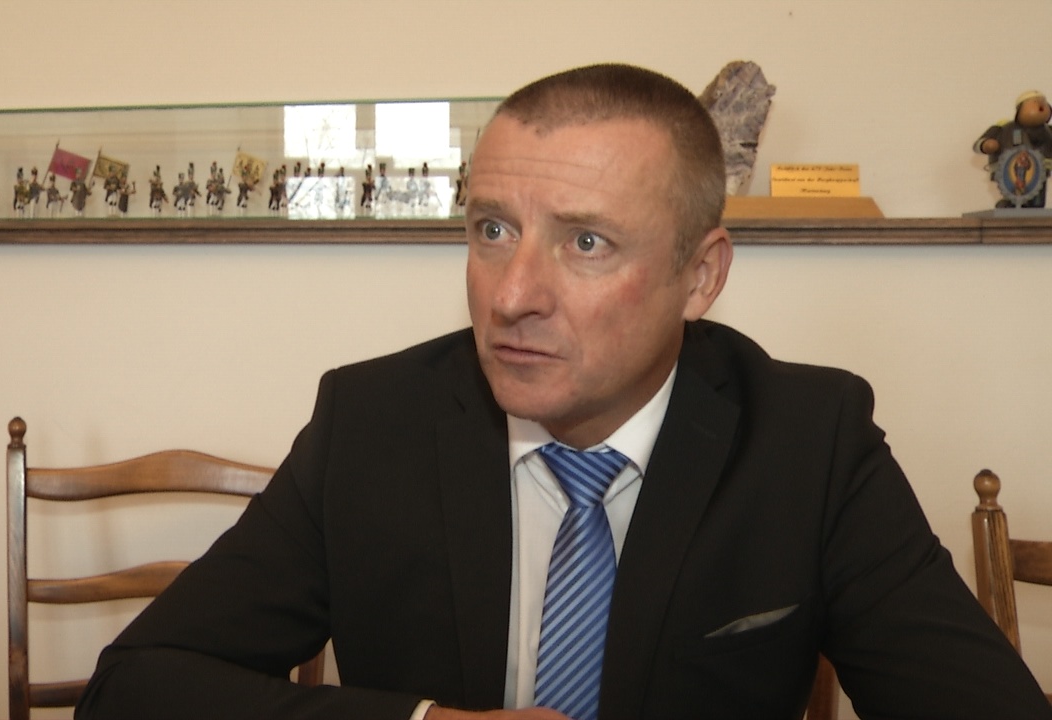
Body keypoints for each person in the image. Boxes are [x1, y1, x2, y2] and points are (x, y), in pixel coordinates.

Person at [76, 64, 1052, 720]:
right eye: (492, 230)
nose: (511, 297)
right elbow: (136, 687)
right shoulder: (372, 424)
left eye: (586, 242)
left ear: (700, 277)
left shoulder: (808, 442)